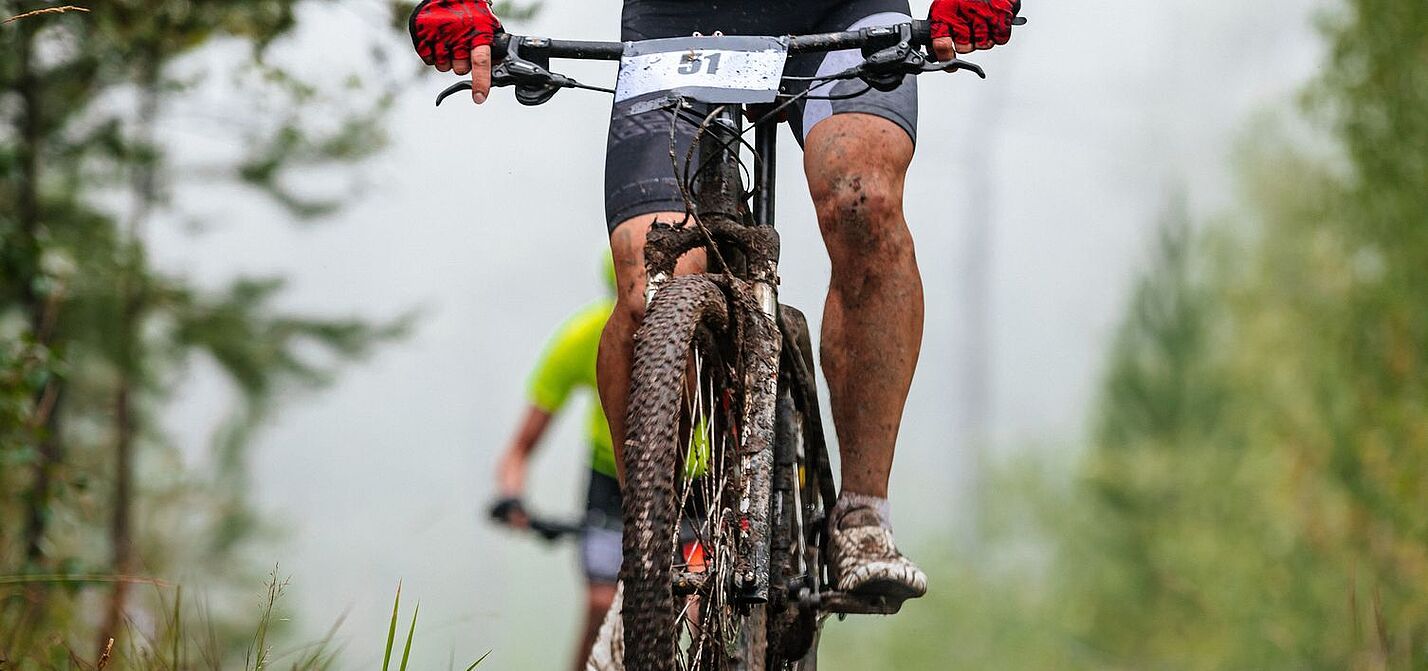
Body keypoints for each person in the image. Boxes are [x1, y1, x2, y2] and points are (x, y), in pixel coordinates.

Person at [413, 0, 1020, 604]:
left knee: (862, 201)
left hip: (842, 10)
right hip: (674, 21)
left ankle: (863, 514)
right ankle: (651, 551)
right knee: (649, 280)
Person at [488, 258, 620, 671]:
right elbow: (519, 449)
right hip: (610, 480)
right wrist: (513, 499)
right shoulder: (584, 337)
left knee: (695, 603)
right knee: (601, 604)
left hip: (696, 477)